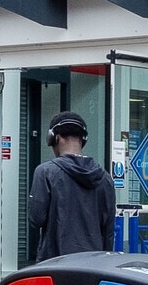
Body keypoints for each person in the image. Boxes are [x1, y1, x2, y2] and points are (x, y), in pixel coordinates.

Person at [26, 111, 115, 261]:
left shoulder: (46, 172)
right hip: (93, 266)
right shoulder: (105, 178)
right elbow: (108, 232)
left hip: (54, 264)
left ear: (55, 137)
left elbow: (36, 219)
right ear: (83, 139)